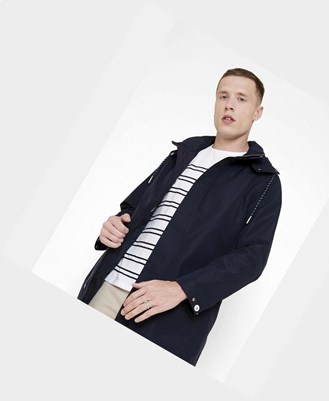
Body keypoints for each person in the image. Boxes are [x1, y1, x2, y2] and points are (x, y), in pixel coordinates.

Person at [77, 67, 282, 366]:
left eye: (241, 99)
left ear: (257, 112)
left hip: (163, 312)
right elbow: (133, 208)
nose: (229, 105)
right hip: (107, 286)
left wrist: (184, 289)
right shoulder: (182, 153)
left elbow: (253, 257)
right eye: (223, 96)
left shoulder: (262, 180)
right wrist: (114, 225)